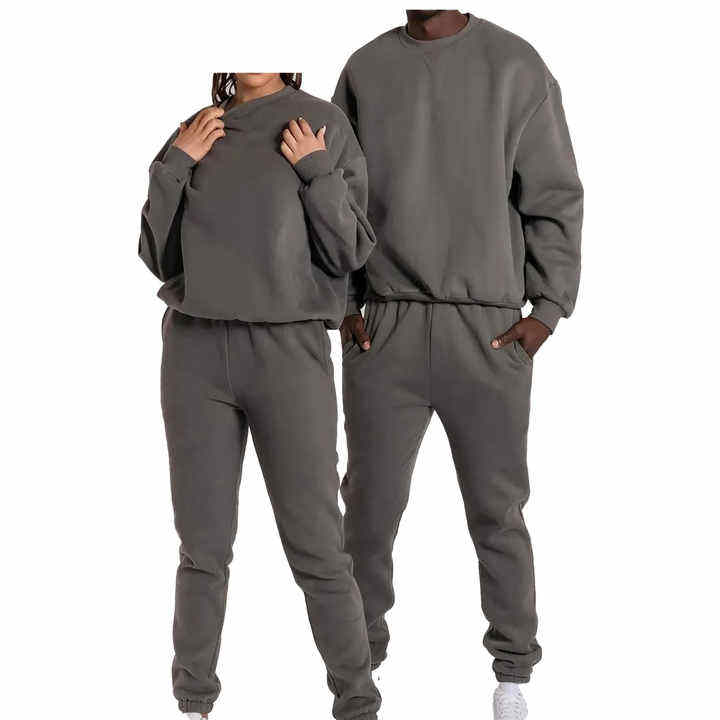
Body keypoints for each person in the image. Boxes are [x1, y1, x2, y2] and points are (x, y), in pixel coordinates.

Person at [333, 11, 583, 720]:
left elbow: (554, 193)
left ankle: (513, 673)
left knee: (498, 511)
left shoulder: (516, 65)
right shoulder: (365, 68)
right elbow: (333, 196)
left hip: (490, 328)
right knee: (368, 510)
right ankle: (358, 669)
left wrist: (547, 310)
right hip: (386, 323)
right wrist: (342, 302)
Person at [139, 72, 381, 720]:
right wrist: (176, 163)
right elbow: (158, 256)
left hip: (287, 352)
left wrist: (317, 171)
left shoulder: (321, 123)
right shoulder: (198, 129)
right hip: (195, 354)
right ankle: (194, 702)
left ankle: (358, 704)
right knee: (202, 548)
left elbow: (350, 250)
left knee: (318, 547)